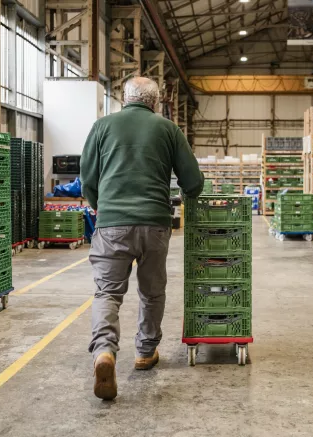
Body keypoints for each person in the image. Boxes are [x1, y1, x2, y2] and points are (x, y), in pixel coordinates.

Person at [80, 77, 204, 400]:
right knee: (152, 292)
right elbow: (193, 181)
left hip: (111, 226)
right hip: (154, 224)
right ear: (156, 102)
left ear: (124, 98)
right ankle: (145, 352)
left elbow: (87, 178)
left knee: (107, 293)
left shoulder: (102, 127)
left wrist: (101, 207)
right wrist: (184, 192)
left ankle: (105, 352)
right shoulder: (167, 130)